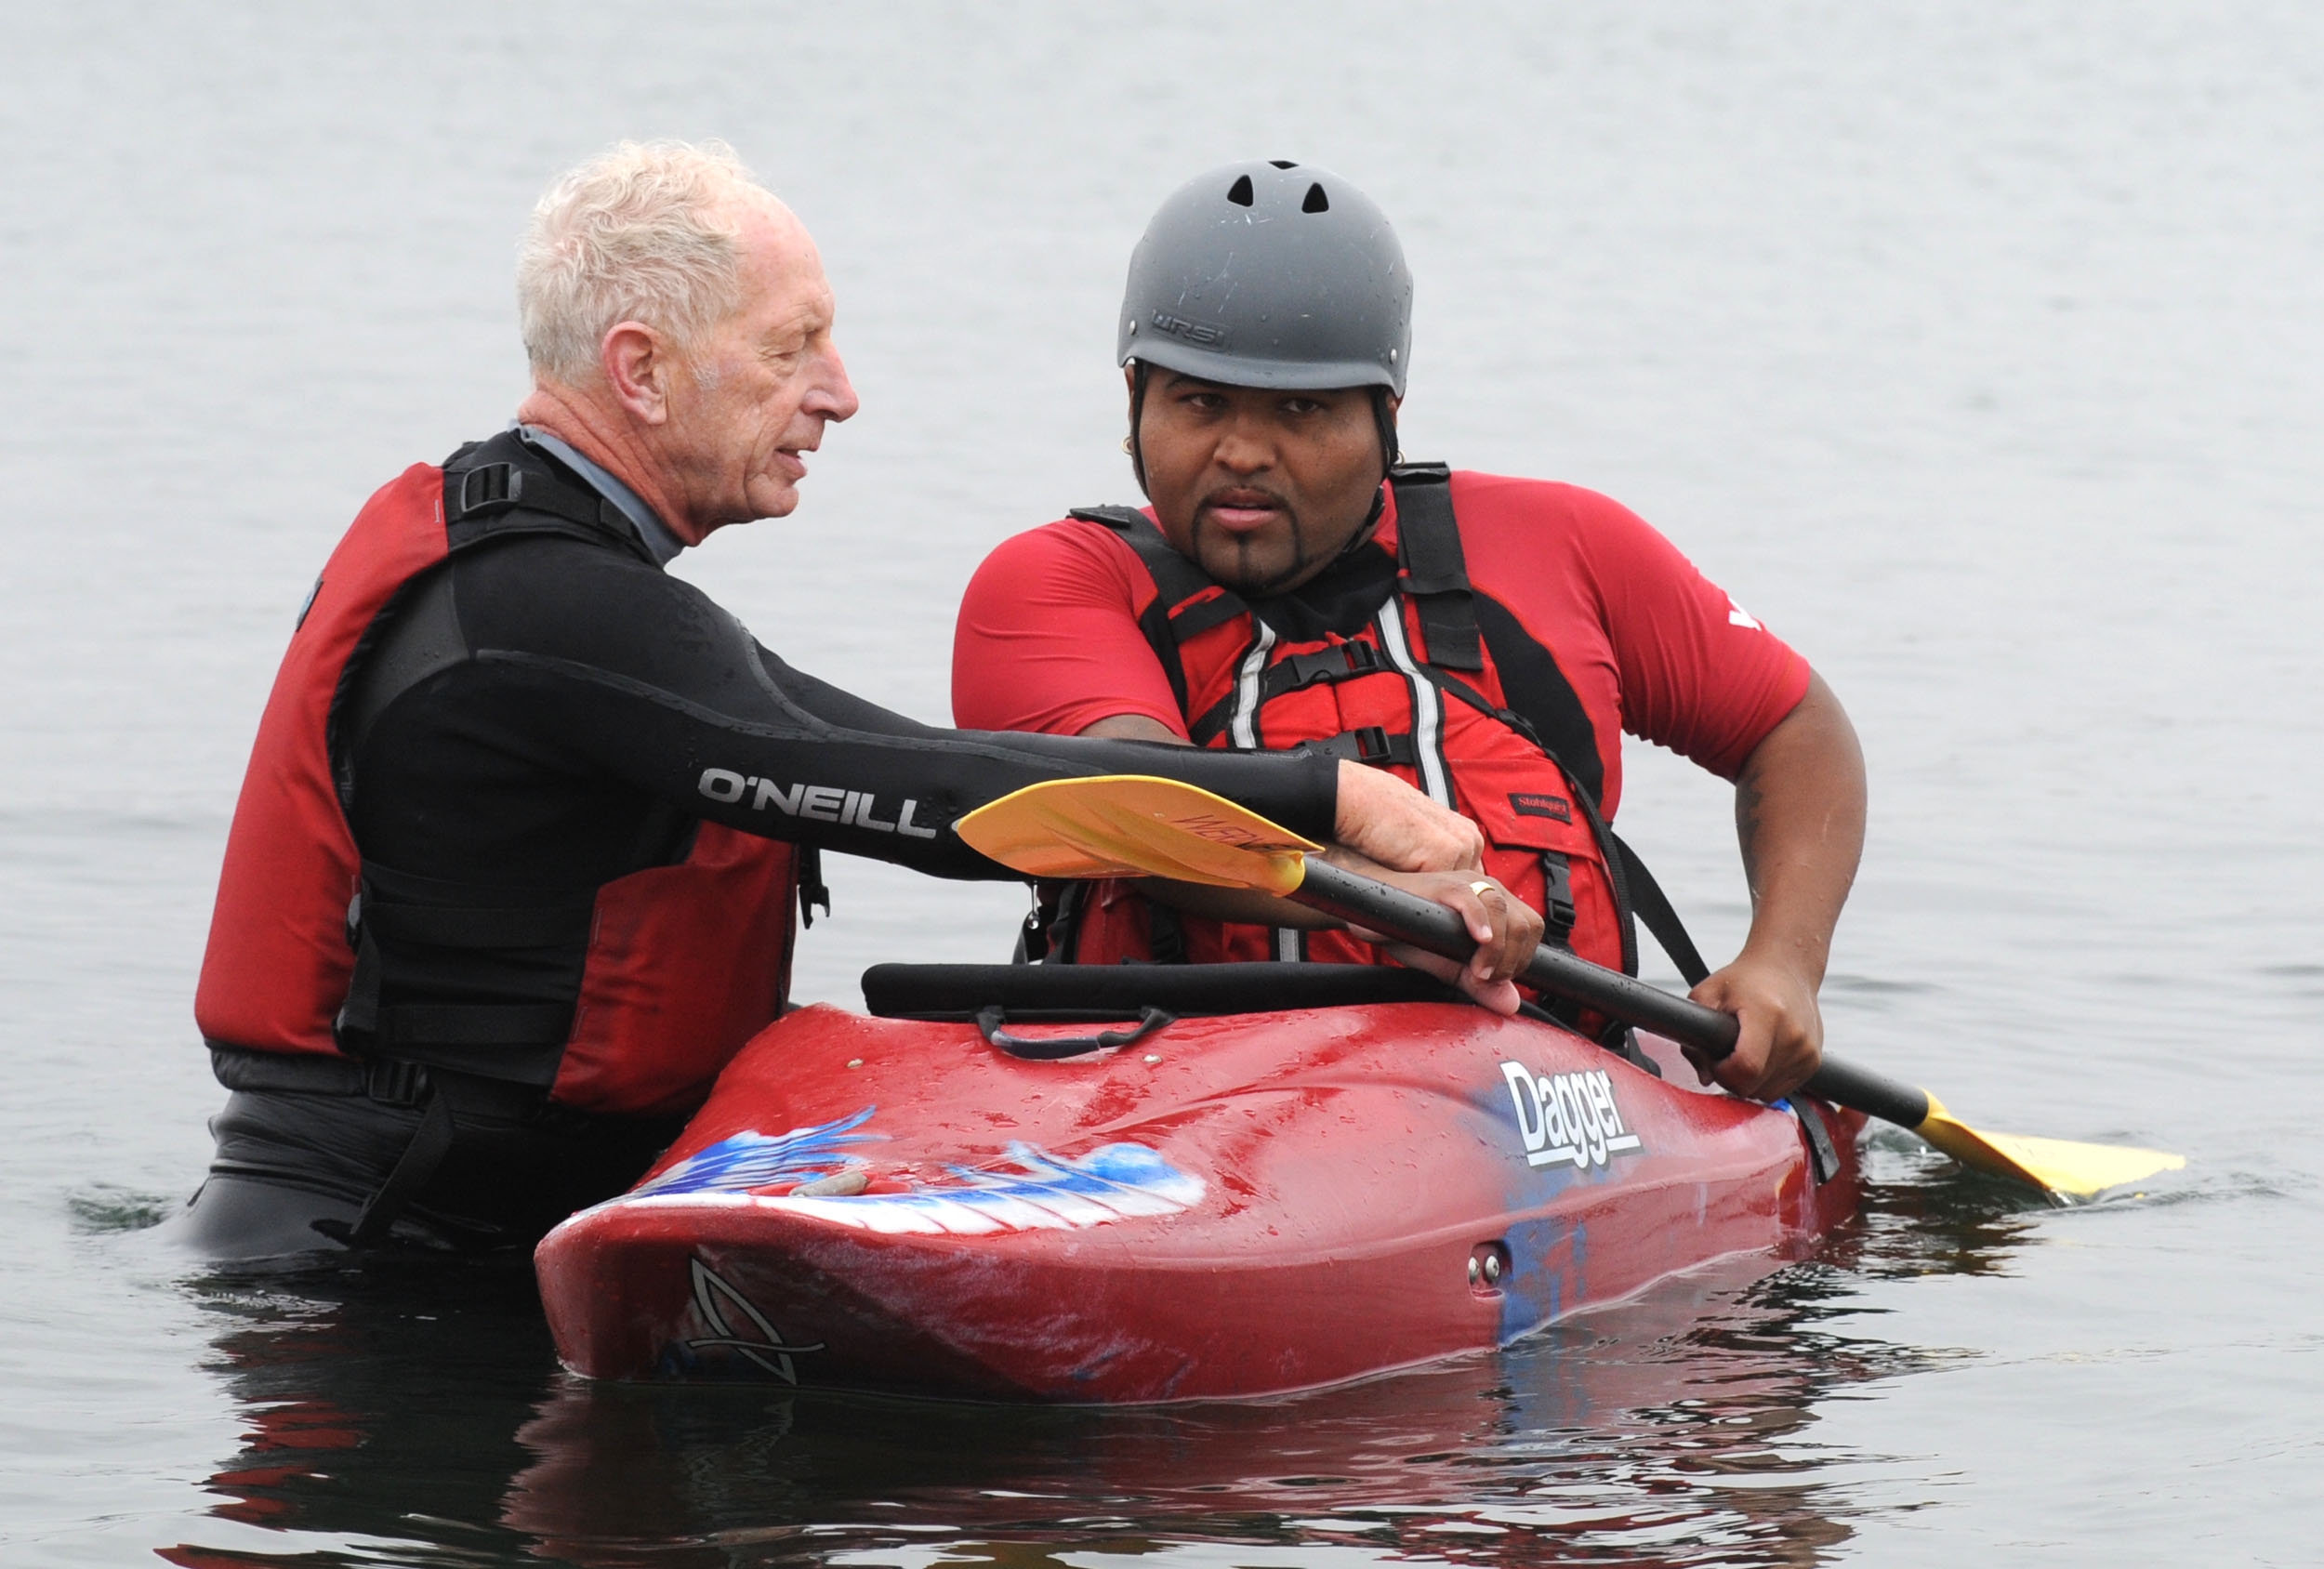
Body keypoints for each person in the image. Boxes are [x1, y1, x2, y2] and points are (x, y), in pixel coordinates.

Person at [176, 142, 1522, 1262]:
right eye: (794, 346)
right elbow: (938, 800)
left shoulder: (557, 577)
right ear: (642, 371)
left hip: (428, 1234)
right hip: (362, 1280)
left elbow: (885, 753)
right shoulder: (544, 610)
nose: (842, 393)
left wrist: (1354, 887)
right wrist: (1332, 794)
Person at [951, 159, 1868, 1101]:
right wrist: (1378, 893)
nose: (1242, 450)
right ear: (1135, 398)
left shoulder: (1563, 549)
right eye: (1200, 402)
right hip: (1168, 1101)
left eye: (1301, 410)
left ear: (1384, 419)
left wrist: (1784, 963)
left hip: (1550, 1102)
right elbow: (1134, 800)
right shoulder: (1049, 585)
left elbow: (1792, 728)